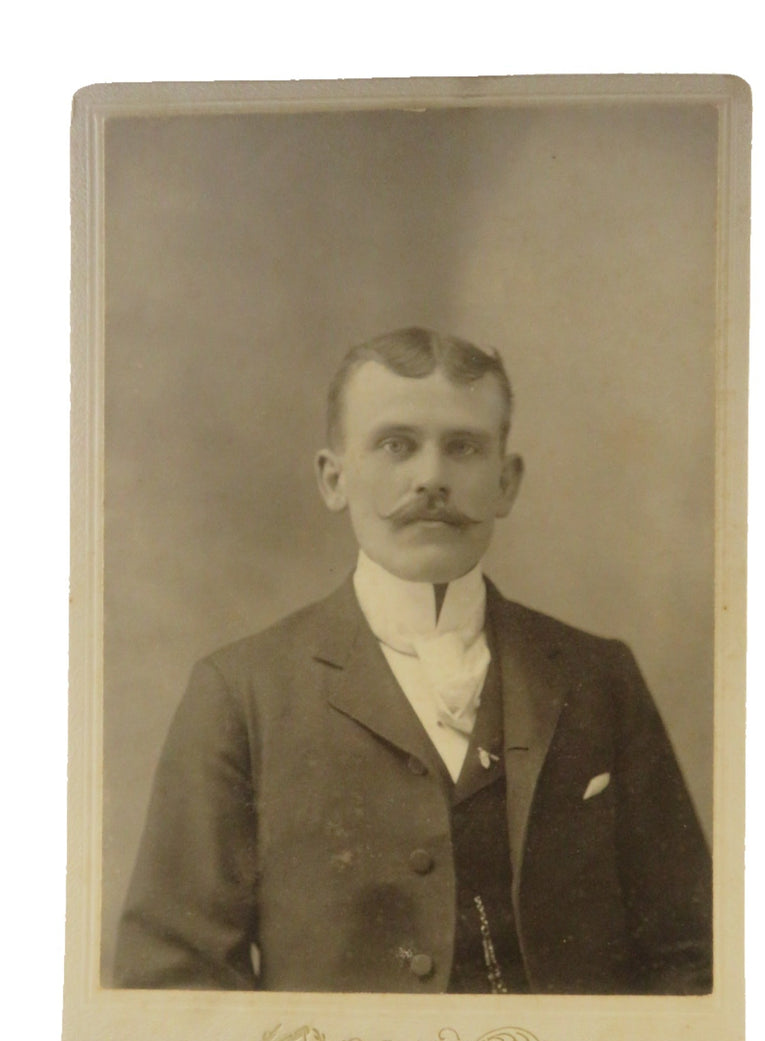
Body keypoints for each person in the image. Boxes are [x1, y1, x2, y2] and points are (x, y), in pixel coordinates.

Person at [114, 326, 712, 995]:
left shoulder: (600, 677)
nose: (431, 478)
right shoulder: (241, 691)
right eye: (396, 445)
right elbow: (171, 975)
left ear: (506, 482)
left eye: (463, 448)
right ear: (333, 478)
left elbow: (691, 958)